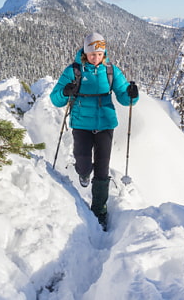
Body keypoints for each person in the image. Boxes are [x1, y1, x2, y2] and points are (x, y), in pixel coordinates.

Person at [50, 32, 138, 230]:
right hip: (81, 123)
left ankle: (99, 211)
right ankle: (83, 174)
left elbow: (125, 97)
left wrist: (132, 94)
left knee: (102, 167)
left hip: (106, 123)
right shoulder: (74, 71)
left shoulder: (111, 71)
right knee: (82, 160)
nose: (95, 58)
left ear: (104, 52)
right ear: (85, 53)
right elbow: (55, 98)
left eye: (99, 54)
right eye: (92, 54)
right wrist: (66, 92)